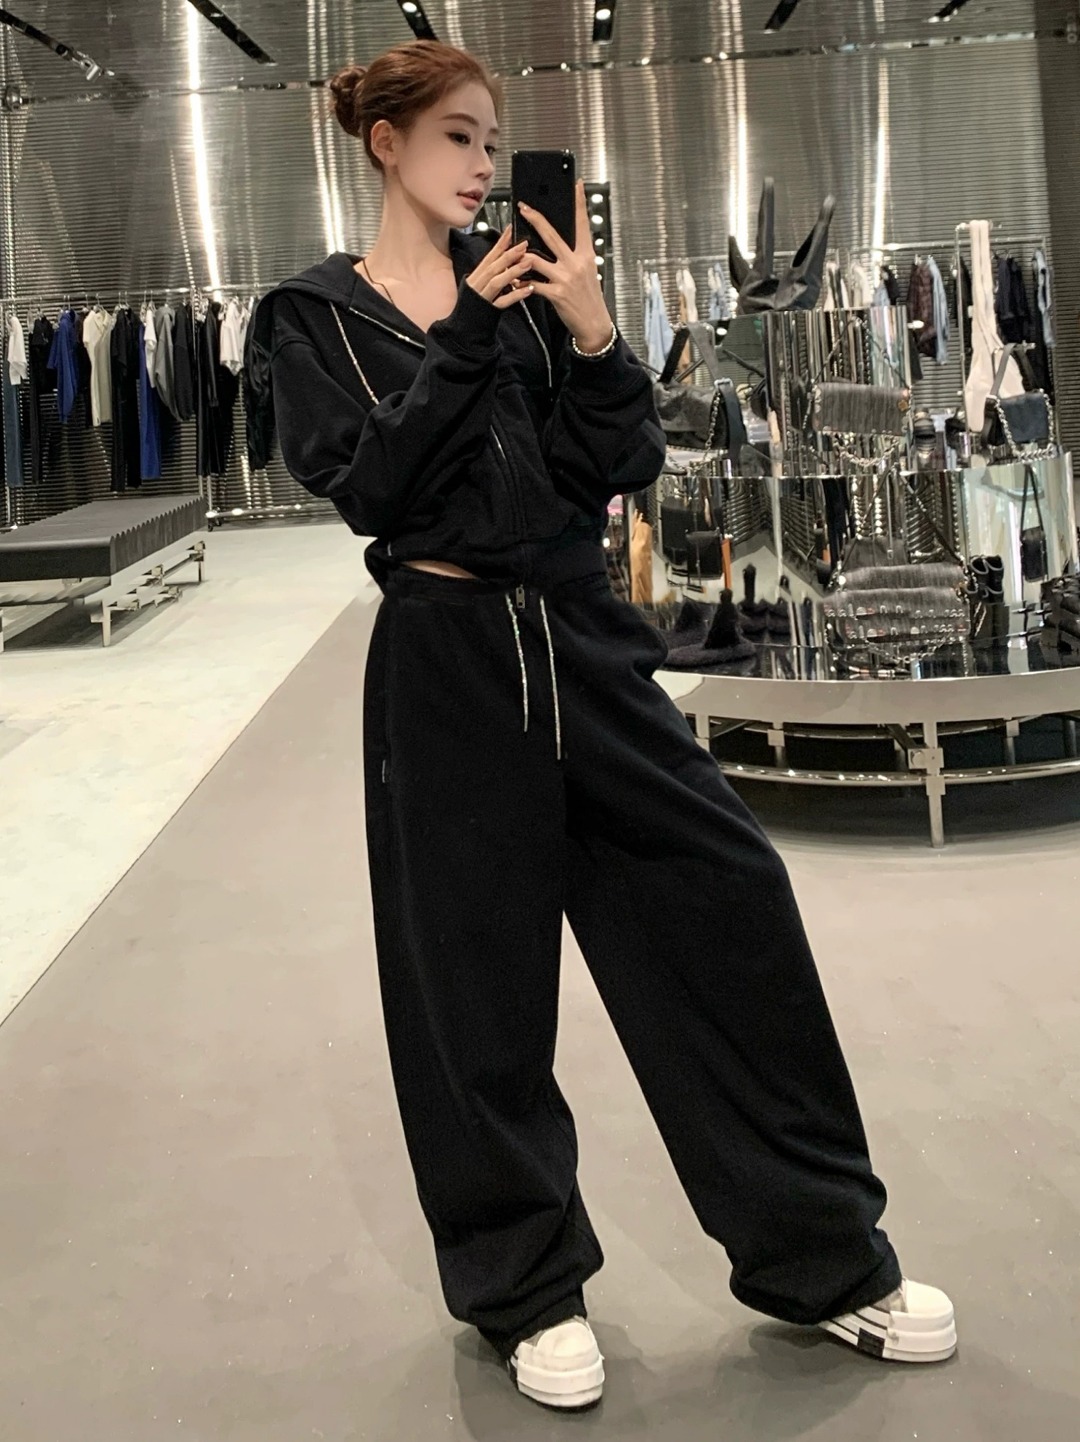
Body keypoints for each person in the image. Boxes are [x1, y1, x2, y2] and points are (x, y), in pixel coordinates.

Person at [253, 38, 957, 1412]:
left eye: (491, 141)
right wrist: (466, 335)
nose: (481, 166)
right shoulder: (312, 316)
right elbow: (373, 488)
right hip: (448, 656)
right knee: (473, 980)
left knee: (728, 905)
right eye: (457, 137)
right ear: (387, 144)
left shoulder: (526, 289)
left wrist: (588, 332)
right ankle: (525, 1287)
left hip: (582, 632)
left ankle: (824, 1256)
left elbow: (612, 464)